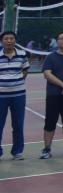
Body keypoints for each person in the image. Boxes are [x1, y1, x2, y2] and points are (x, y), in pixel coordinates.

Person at [0, 30, 30, 160]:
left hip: (19, 95)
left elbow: (25, 71)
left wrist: (17, 82)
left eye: (11, 38)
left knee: (18, 124)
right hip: (1, 96)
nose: (9, 41)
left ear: (15, 40)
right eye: (6, 39)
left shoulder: (22, 54)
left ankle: (17, 151)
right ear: (2, 41)